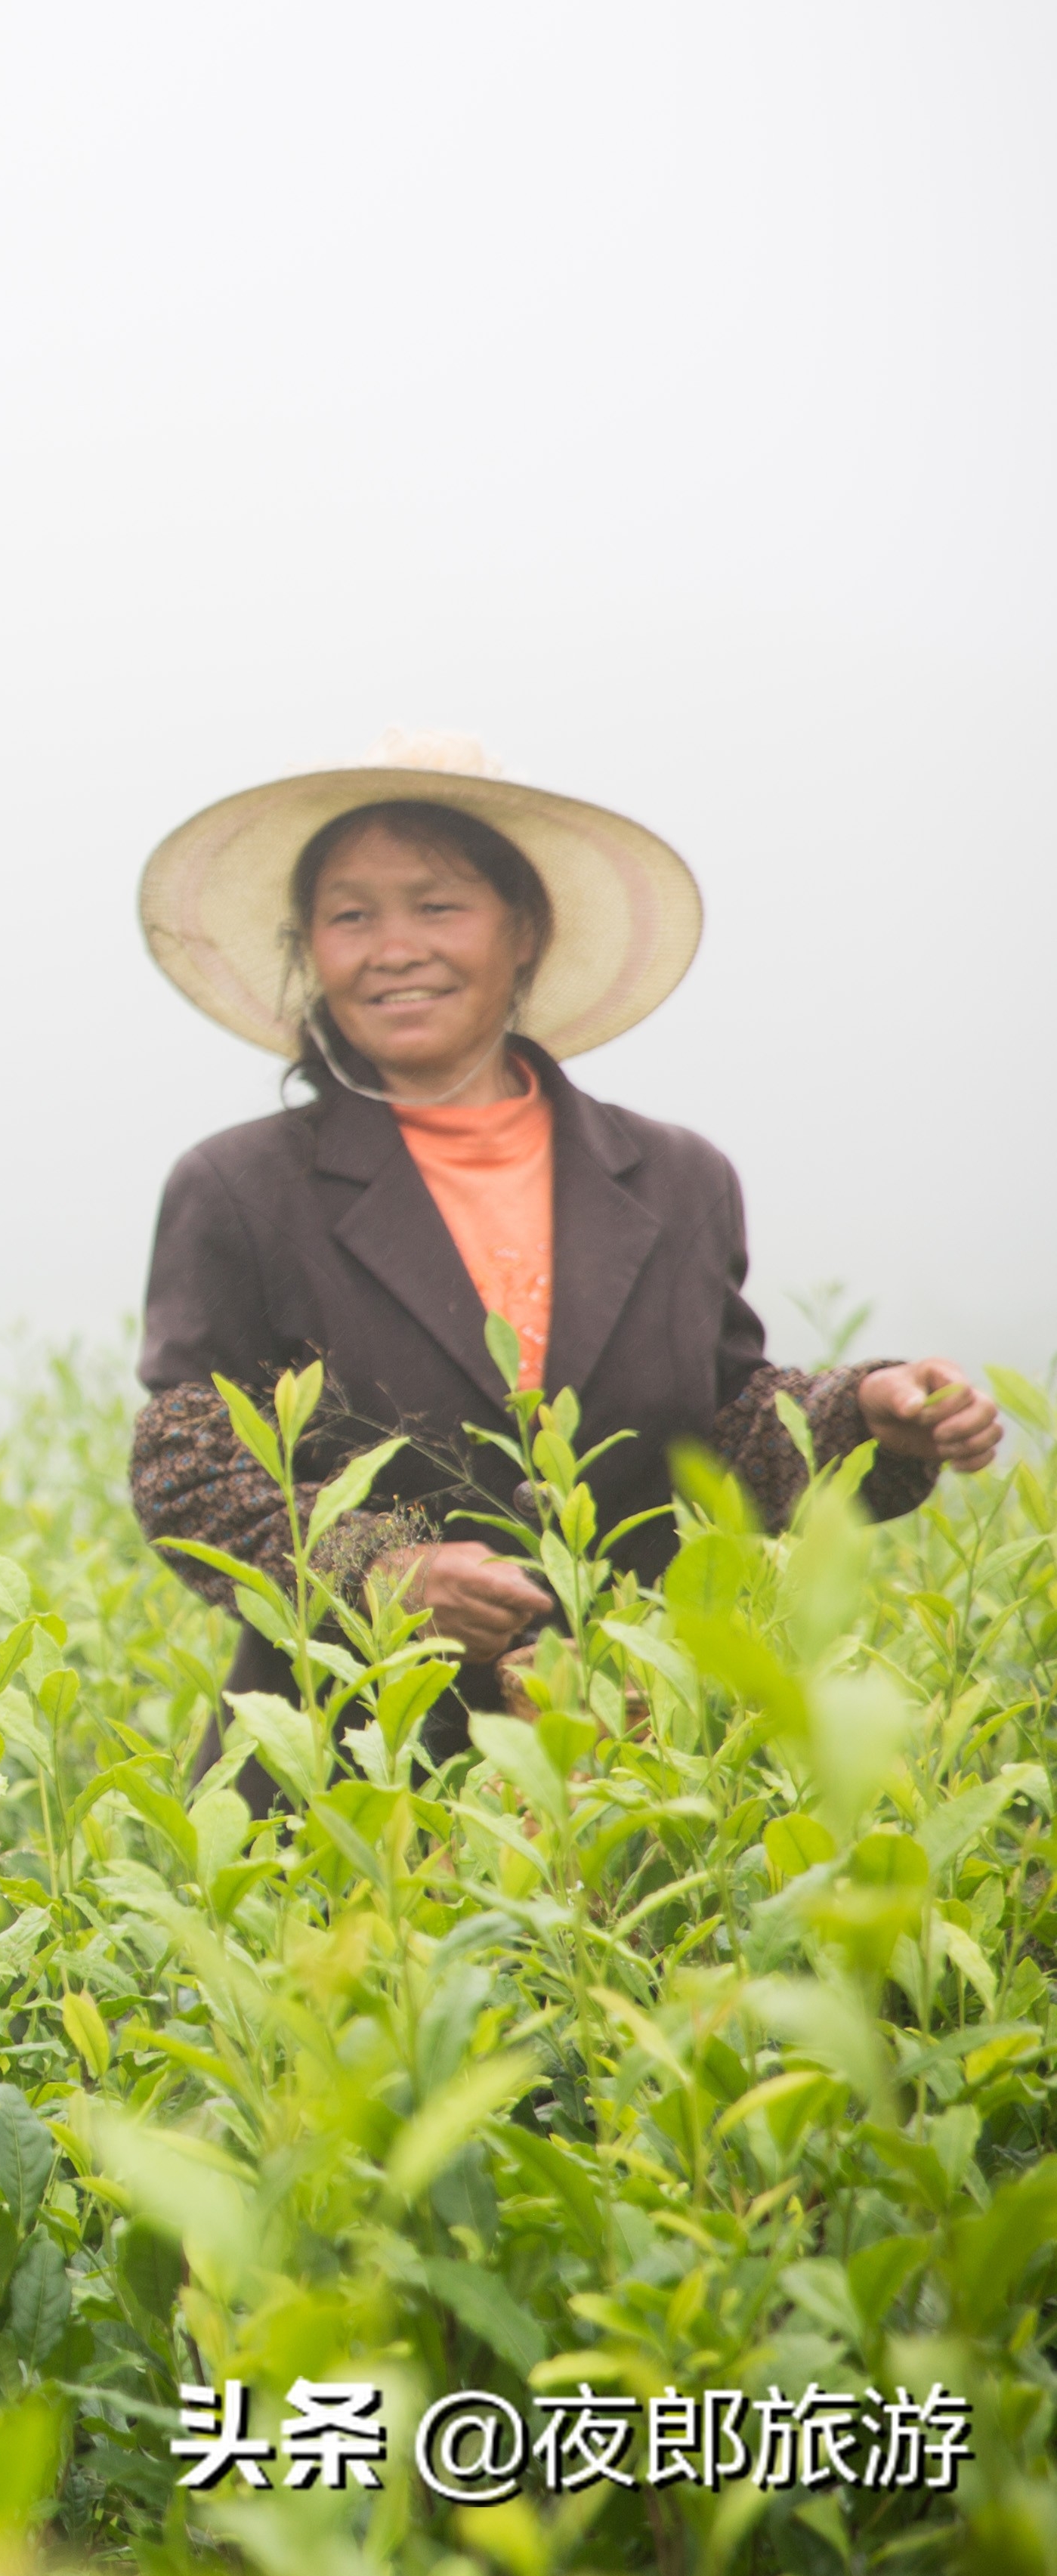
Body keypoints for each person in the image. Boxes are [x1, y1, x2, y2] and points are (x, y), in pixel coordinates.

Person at [128, 734, 1000, 1793]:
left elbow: (722, 1429)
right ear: (312, 950)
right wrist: (380, 1569)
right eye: (350, 915)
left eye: (437, 905)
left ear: (524, 929)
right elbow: (191, 1473)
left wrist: (868, 1412)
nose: (393, 947)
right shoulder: (243, 1189)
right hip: (348, 1777)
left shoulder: (676, 1179)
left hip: (634, 1769)